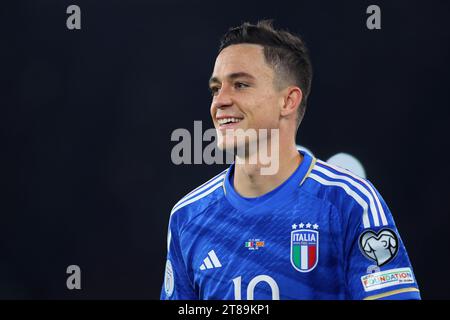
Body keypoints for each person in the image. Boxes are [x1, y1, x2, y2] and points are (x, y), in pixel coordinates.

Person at [161, 20, 421, 300]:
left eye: (240, 84)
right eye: (215, 88)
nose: (220, 101)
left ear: (288, 101)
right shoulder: (187, 217)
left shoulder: (350, 203)